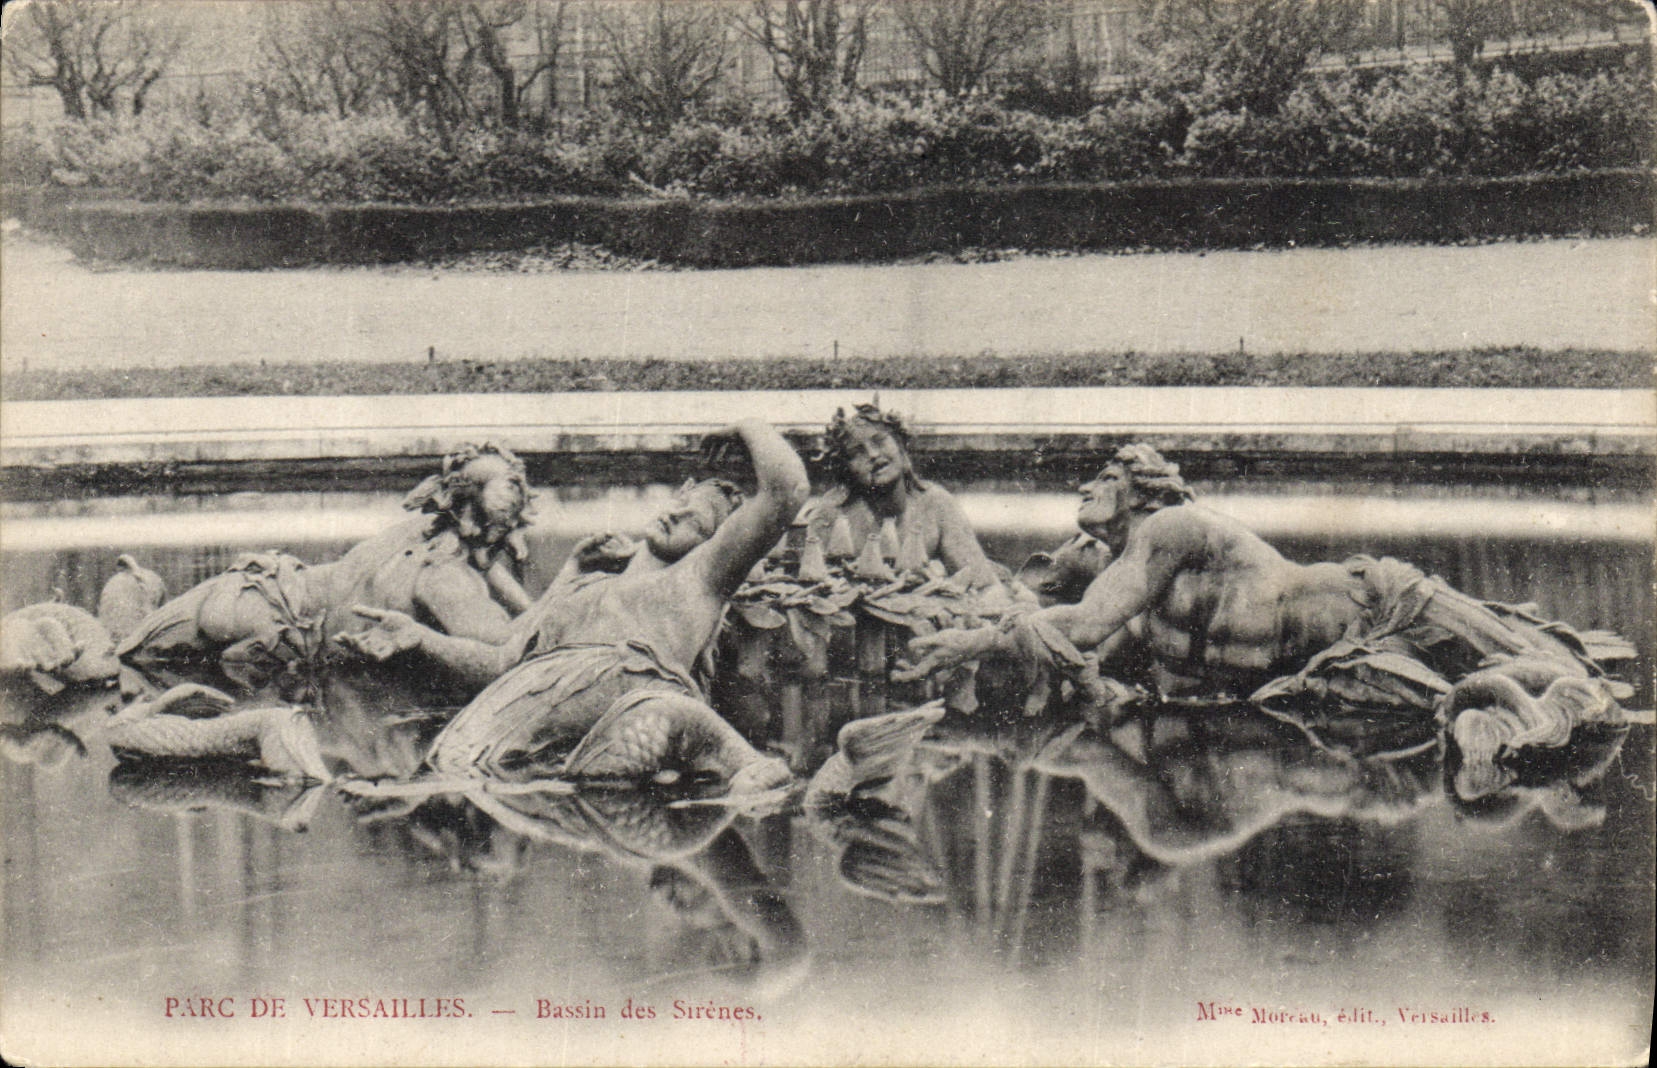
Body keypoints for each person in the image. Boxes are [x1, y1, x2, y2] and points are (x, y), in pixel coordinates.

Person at [897, 444, 1633, 725]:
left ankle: (1559, 700)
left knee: (1571, 679)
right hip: (1337, 671)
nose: (1084, 485)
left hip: (1382, 607)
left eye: (1105, 477)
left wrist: (966, 641)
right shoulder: (1128, 579)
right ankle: (1538, 716)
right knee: (1494, 705)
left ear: (1142, 490)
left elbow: (1082, 628)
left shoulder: (1171, 528)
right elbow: (1064, 633)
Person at [339, 419, 809, 787]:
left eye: (697, 520)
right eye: (681, 500)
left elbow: (787, 491)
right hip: (515, 724)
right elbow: (501, 660)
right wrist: (420, 638)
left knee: (666, 713)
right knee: (455, 767)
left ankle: (745, 764)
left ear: (716, 546)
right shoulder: (582, 587)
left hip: (625, 707)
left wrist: (746, 423)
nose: (677, 511)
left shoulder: (695, 582)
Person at [119, 443, 535, 690]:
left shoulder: (421, 530)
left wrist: (493, 563)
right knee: (124, 661)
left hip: (261, 588)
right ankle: (134, 587)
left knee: (125, 660)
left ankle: (135, 585)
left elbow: (479, 555)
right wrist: (571, 579)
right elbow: (510, 650)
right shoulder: (447, 576)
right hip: (277, 627)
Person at [802, 402, 999, 587]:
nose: (872, 455)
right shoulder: (830, 513)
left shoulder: (936, 504)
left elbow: (983, 584)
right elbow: (811, 582)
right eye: (856, 452)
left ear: (901, 447)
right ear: (845, 469)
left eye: (879, 441)